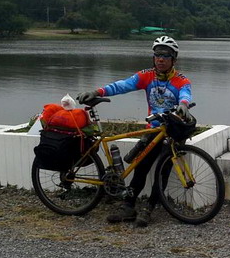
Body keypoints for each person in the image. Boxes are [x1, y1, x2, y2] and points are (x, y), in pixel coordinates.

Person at [76, 36, 192, 228]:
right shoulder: (146, 76)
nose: (160, 59)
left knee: (163, 172)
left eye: (165, 55)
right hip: (153, 130)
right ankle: (128, 206)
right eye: (157, 55)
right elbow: (122, 85)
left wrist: (184, 104)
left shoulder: (181, 80)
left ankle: (149, 208)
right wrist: (97, 92)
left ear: (174, 59)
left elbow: (185, 94)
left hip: (172, 131)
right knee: (141, 168)